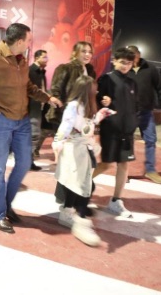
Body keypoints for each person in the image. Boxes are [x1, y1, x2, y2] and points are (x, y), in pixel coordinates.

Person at [0, 23, 62, 234]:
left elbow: (27, 87)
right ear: (19, 41)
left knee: (25, 162)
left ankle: (6, 205)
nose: (30, 44)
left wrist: (47, 98)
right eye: (28, 40)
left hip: (22, 121)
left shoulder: (21, 60)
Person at [51, 75, 115, 246]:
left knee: (80, 183)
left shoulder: (86, 105)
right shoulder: (74, 106)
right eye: (94, 88)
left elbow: (87, 125)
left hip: (84, 147)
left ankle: (69, 213)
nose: (98, 91)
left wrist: (100, 115)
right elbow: (66, 125)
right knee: (81, 184)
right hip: (75, 148)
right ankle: (78, 219)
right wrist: (58, 143)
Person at [92, 47, 138, 218]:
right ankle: (81, 186)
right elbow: (97, 100)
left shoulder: (132, 82)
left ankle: (116, 200)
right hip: (111, 129)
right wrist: (103, 101)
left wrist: (134, 123)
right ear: (114, 61)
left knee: (124, 164)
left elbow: (134, 106)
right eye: (122, 62)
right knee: (106, 164)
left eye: (129, 63)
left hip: (127, 131)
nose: (125, 66)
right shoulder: (106, 79)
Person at [126, 45, 161, 185]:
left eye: (133, 54)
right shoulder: (124, 68)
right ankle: (123, 171)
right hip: (128, 112)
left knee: (151, 140)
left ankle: (150, 170)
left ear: (139, 54)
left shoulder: (150, 68)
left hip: (146, 112)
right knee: (126, 141)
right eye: (128, 54)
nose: (131, 57)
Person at [28, 49, 51, 171]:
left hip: (39, 107)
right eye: (44, 57)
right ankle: (28, 162)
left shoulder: (41, 72)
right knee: (34, 135)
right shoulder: (31, 71)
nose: (47, 60)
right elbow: (31, 91)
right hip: (32, 108)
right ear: (37, 58)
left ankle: (28, 161)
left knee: (35, 135)